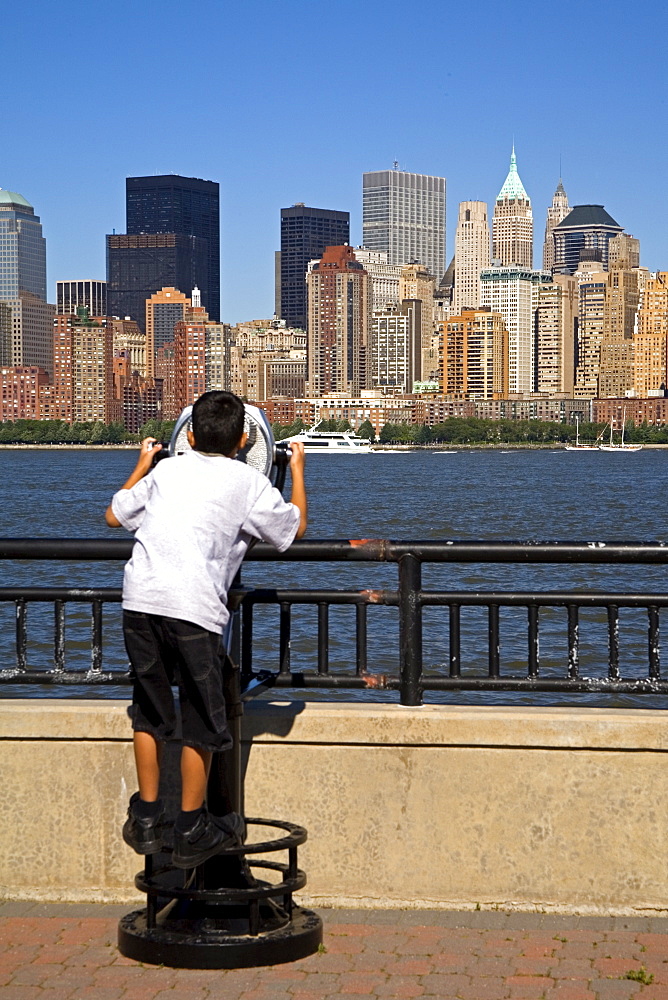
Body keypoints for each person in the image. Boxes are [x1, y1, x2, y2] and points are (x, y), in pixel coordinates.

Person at [105, 391, 307, 868]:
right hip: (195, 608)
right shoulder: (247, 482)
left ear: (188, 436)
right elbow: (292, 530)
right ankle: (193, 825)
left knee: (150, 710)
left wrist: (144, 463)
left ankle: (148, 817)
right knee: (203, 719)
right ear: (244, 440)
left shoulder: (167, 471)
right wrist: (296, 469)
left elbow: (115, 515)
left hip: (139, 602)